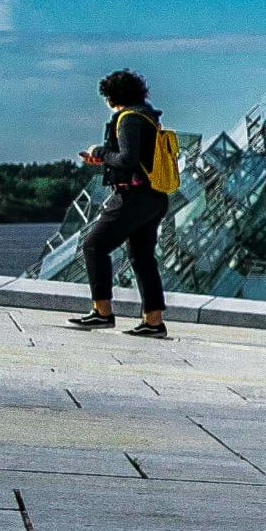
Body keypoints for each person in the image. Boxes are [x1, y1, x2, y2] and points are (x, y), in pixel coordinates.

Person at [69, 69, 172, 340]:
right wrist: (105, 159)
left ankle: (102, 312)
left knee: (93, 246)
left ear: (111, 96)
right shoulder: (149, 117)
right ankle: (153, 321)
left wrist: (100, 153)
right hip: (155, 196)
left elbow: (127, 159)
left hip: (132, 196)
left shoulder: (127, 119)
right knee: (142, 258)